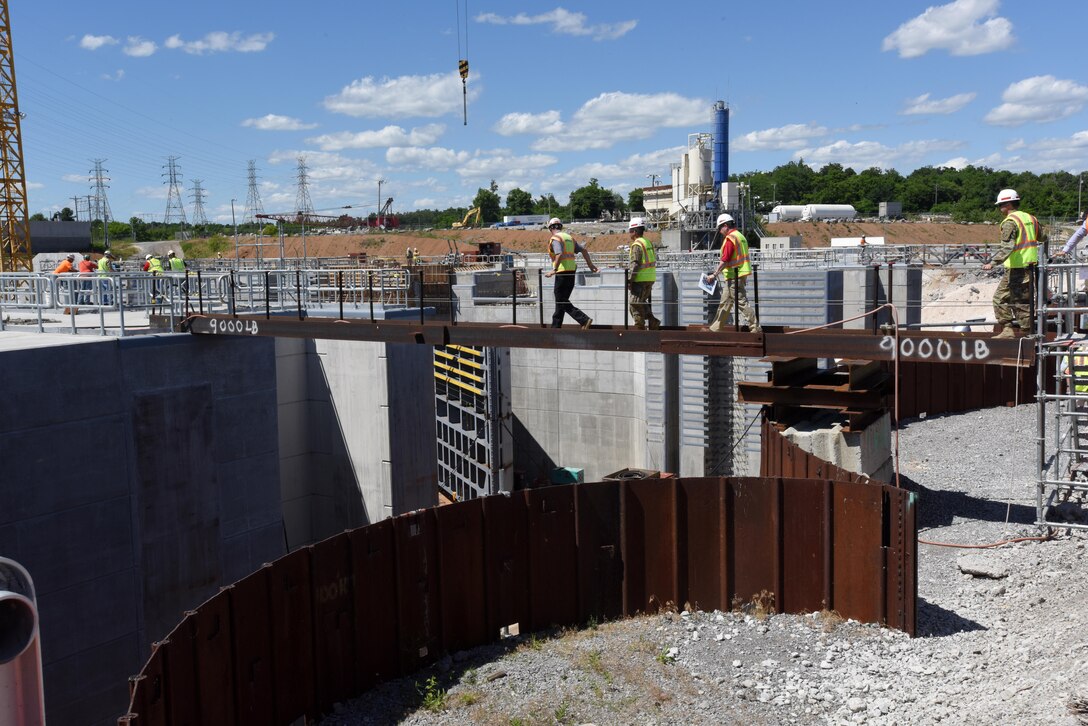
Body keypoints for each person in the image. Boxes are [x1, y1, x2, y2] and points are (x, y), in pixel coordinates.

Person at [981, 188, 1046, 339]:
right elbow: (1043, 237)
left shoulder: (1010, 222)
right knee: (1022, 302)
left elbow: (1008, 247)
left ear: (1008, 204)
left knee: (1002, 299)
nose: (999, 208)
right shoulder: (1031, 218)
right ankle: (1026, 334)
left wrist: (993, 262)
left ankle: (1011, 330)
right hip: (1030, 266)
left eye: (1000, 205)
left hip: (1017, 267)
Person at [706, 213, 762, 333]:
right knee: (724, 304)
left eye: (720, 228)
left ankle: (755, 327)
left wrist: (714, 274)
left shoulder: (730, 238)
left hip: (734, 276)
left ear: (725, 225)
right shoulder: (740, 236)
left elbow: (725, 259)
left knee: (741, 302)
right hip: (736, 275)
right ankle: (714, 329)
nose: (720, 231)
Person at [544, 217, 598, 329]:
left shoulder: (555, 239)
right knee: (561, 301)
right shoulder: (569, 238)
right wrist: (590, 265)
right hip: (571, 272)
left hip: (562, 272)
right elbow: (584, 250)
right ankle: (556, 327)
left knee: (561, 300)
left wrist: (553, 270)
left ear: (551, 228)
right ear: (560, 226)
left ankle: (584, 319)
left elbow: (559, 254)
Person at [626, 217, 660, 330]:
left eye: (630, 230)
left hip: (640, 279)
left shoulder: (637, 245)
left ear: (634, 231)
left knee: (634, 303)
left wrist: (630, 280)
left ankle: (639, 326)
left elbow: (635, 264)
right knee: (641, 301)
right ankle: (652, 321)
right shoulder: (647, 242)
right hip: (650, 277)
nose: (629, 233)